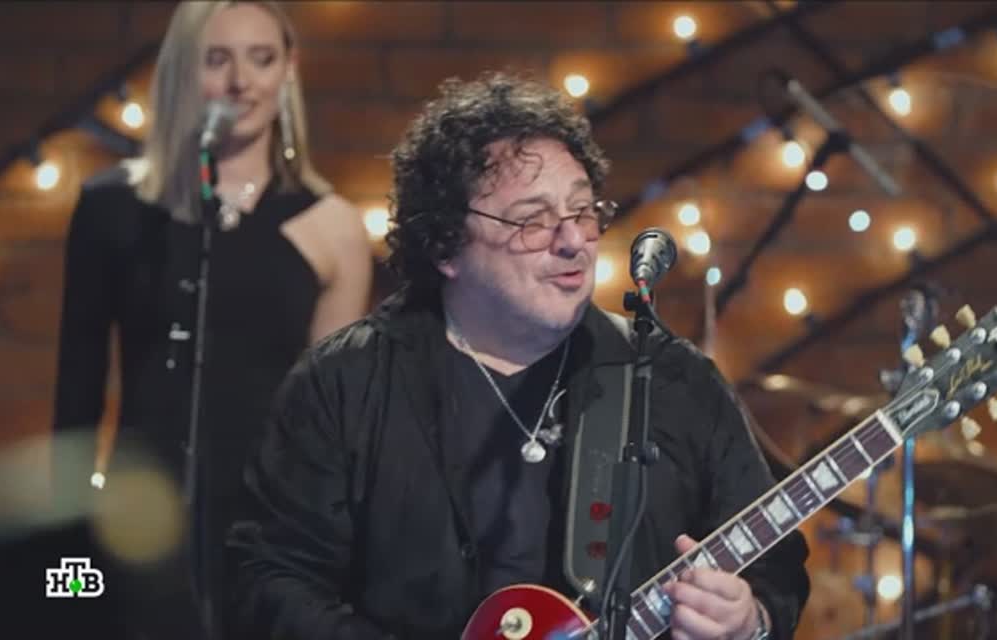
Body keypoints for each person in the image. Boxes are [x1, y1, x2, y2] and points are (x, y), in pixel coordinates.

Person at [226, 71, 810, 639]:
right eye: (532, 221)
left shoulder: (672, 379)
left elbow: (776, 570)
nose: (573, 241)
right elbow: (269, 581)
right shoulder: (345, 382)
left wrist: (750, 620)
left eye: (582, 211)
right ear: (446, 245)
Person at [50, 1, 372, 638]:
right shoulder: (114, 207)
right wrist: (64, 576)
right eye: (217, 59)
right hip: (135, 526)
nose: (240, 82)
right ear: (181, 70)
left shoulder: (331, 226)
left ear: (288, 70)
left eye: (262, 59)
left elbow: (332, 428)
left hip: (267, 538)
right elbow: (76, 402)